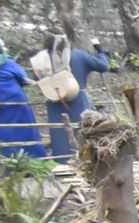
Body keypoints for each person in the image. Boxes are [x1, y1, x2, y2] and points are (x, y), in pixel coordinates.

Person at [30, 34, 111, 162]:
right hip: (78, 99)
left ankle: (62, 160)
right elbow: (103, 66)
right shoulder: (78, 55)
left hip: (54, 101)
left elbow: (38, 79)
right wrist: (99, 50)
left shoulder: (42, 59)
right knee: (81, 129)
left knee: (59, 132)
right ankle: (85, 160)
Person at [0, 36, 48, 159]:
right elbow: (23, 77)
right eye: (2, 46)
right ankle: (33, 158)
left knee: (2, 132)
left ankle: (7, 160)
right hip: (16, 103)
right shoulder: (5, 62)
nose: (6, 49)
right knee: (25, 131)